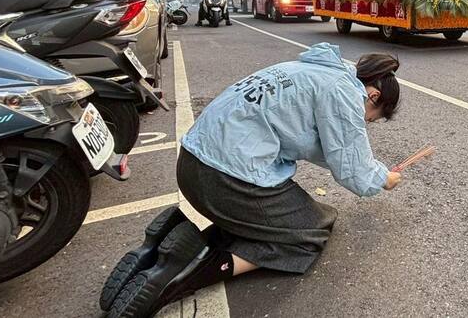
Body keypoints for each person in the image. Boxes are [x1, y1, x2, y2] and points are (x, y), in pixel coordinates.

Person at [100, 44, 403, 318]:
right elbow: (351, 168)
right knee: (311, 232)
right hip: (225, 179)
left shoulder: (314, 70)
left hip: (192, 163)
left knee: (300, 214)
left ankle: (160, 244)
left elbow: (327, 146)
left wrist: (368, 165)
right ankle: (188, 271)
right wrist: (383, 179)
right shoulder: (345, 93)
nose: (365, 124)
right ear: (373, 96)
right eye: (369, 119)